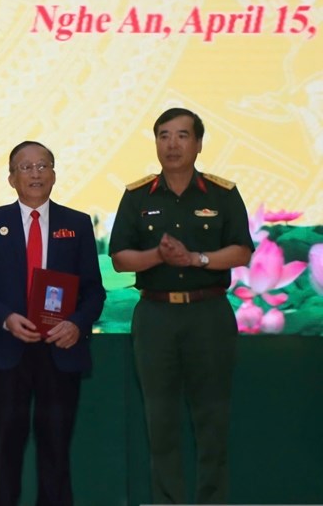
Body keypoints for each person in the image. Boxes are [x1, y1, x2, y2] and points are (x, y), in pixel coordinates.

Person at [109, 108, 253, 504]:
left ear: (199, 143)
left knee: (212, 419)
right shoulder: (137, 196)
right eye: (164, 136)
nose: (172, 144)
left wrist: (195, 259)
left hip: (208, 315)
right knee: (160, 421)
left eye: (182, 136)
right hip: (155, 317)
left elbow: (242, 251)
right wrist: (158, 255)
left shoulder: (222, 194)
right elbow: (120, 258)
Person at [0, 141, 105, 506]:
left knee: (56, 448)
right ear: (11, 178)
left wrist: (76, 325)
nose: (35, 173)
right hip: (7, 350)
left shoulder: (77, 224)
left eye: (43, 165)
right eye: (25, 167)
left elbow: (94, 291)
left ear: (54, 174)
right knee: (7, 448)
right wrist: (5, 318)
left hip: (60, 349)